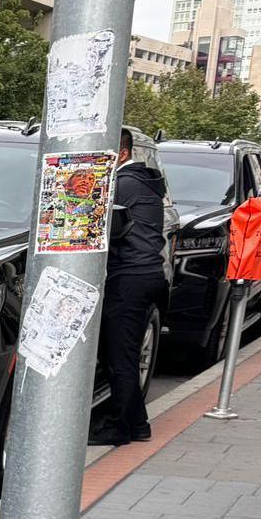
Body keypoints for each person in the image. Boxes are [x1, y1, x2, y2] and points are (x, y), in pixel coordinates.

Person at [92, 128, 167, 445]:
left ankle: (118, 428)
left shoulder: (120, 185)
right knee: (120, 354)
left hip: (129, 277)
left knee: (118, 358)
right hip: (148, 274)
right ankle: (138, 424)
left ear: (121, 154)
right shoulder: (145, 182)